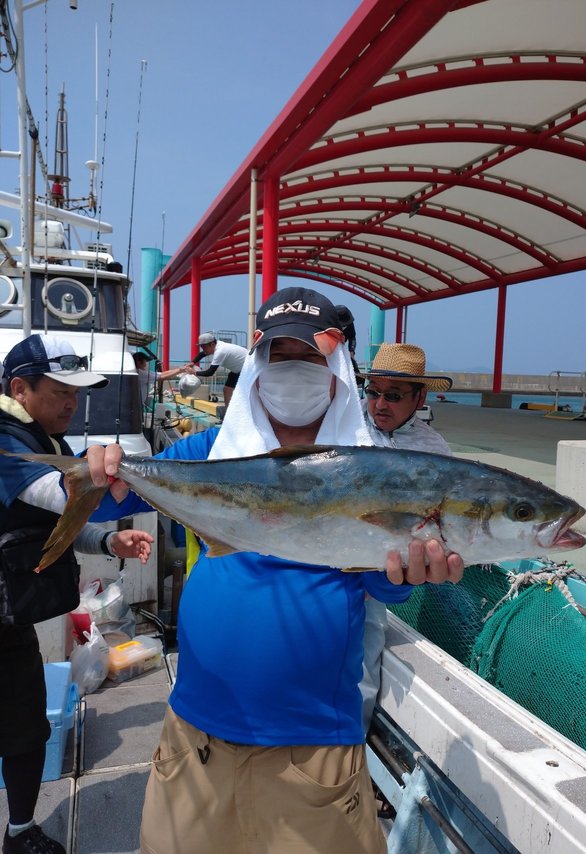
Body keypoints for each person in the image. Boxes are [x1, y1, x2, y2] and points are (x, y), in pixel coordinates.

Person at [85, 287, 463, 854]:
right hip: (196, 735)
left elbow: (386, 584)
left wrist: (413, 570)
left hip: (312, 749)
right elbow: (109, 498)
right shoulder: (211, 453)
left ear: (337, 369)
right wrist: (99, 466)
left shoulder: (367, 470)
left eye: (309, 358)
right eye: (279, 355)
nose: (293, 371)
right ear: (258, 364)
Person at [0, 334, 154, 854]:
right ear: (20, 388)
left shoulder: (47, 441)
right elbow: (57, 494)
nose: (73, 402)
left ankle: (19, 831)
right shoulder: (4, 441)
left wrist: (108, 539)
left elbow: (55, 523)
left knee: (25, 731)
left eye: (78, 392)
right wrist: (115, 475)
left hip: (12, 622)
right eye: (61, 390)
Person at [358, 343, 454, 732]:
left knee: (360, 683)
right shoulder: (345, 429)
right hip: (326, 571)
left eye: (393, 395)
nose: (380, 404)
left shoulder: (435, 450)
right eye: (372, 392)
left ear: (420, 397)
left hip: (377, 584)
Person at [189, 332, 248, 406]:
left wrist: (194, 372)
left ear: (212, 344)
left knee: (246, 393)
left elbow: (210, 372)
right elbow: (202, 354)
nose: (203, 349)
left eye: (204, 347)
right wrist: (192, 363)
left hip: (248, 368)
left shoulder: (220, 351)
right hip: (238, 370)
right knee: (227, 390)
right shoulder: (216, 345)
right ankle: (228, 413)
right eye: (201, 347)